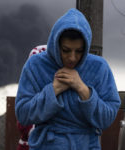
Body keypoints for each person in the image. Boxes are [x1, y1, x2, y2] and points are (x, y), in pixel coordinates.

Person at [15, 8, 121, 150]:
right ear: (55, 44)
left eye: (79, 51)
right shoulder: (36, 65)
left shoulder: (99, 68)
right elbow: (23, 114)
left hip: (87, 146)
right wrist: (53, 90)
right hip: (46, 145)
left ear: (86, 47)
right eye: (66, 50)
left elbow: (107, 118)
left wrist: (83, 89)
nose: (72, 57)